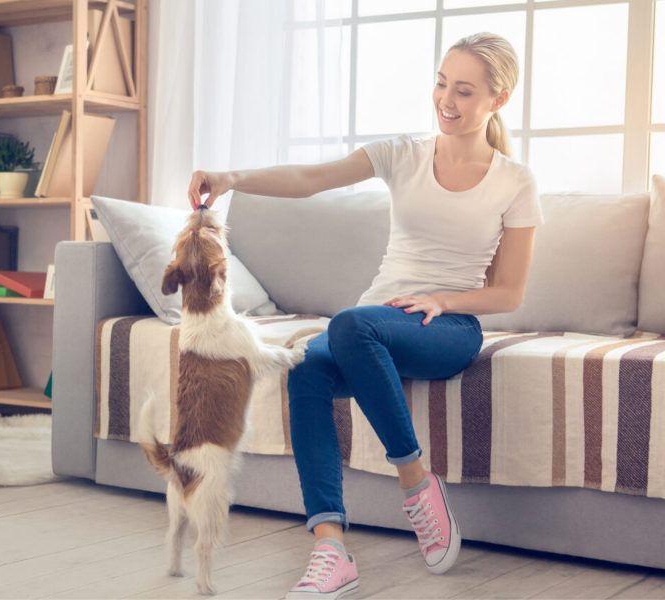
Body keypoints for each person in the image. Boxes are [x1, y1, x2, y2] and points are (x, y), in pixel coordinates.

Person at [187, 32, 543, 599]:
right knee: (307, 365)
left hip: (448, 329)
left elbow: (508, 293)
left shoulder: (515, 182)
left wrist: (445, 300)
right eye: (442, 82)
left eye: (465, 91)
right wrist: (233, 179)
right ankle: (330, 548)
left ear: (497, 101)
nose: (446, 100)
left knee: (350, 322)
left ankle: (415, 483)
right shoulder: (403, 153)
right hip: (377, 319)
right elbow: (311, 179)